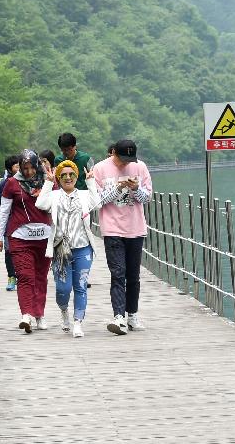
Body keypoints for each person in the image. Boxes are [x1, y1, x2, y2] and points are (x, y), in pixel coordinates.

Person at [94, 139, 153, 335]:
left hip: (135, 227)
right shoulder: (100, 169)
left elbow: (148, 198)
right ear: (113, 154)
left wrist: (136, 189)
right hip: (112, 229)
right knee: (118, 272)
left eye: (130, 159)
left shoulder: (140, 167)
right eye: (122, 159)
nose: (126, 164)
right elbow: (99, 201)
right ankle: (118, 316)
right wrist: (118, 188)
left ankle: (132, 315)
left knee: (133, 275)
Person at [36, 160, 100, 338]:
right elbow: (40, 204)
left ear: (76, 175)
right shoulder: (54, 196)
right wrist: (48, 182)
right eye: (63, 175)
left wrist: (91, 181)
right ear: (59, 178)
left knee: (80, 286)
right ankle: (64, 310)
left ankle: (78, 322)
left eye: (71, 174)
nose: (68, 177)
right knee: (63, 289)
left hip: (83, 247)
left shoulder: (85, 195)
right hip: (60, 250)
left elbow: (99, 203)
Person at [0, 150, 53, 333]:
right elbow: (3, 212)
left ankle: (39, 314)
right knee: (25, 276)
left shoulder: (48, 181)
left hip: (44, 236)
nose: (27, 172)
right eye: (23, 168)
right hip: (19, 237)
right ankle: (26, 314)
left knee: (41, 277)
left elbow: (58, 205)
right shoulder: (12, 183)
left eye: (30, 168)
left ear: (37, 166)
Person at [0, 155, 20, 291]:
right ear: (10, 169)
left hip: (22, 224)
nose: (20, 168)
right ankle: (11, 276)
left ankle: (22, 277)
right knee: (9, 251)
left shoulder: (28, 182)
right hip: (8, 225)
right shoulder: (4, 185)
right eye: (17, 166)